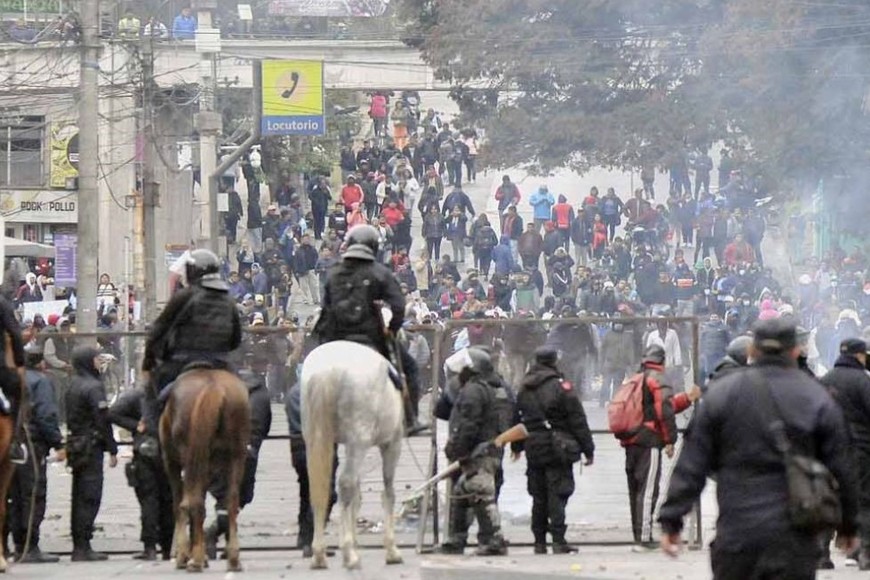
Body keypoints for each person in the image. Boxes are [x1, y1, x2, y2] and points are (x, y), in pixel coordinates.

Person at [659, 319, 859, 579]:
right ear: (796, 350)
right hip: (794, 540)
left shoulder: (723, 394)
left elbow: (692, 463)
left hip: (737, 536)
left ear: (752, 350)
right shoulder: (816, 397)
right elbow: (842, 467)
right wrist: (849, 526)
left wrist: (672, 520)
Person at [142, 249, 242, 430]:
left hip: (183, 361)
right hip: (221, 362)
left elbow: (158, 330)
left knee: (152, 394)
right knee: (245, 394)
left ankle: (151, 437)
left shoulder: (184, 296)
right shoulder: (229, 300)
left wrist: (149, 362)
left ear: (192, 271)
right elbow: (236, 339)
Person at [512, 347, 594, 554]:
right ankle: (558, 540)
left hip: (533, 445)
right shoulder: (561, 386)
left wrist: (517, 446)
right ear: (554, 361)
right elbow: (577, 419)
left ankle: (539, 541)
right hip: (557, 447)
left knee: (538, 495)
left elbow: (517, 419)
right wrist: (588, 449)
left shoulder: (524, 386)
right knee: (558, 493)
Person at [621, 345, 696, 547]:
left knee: (635, 490)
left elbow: (662, 405)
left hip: (631, 440)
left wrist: (686, 399)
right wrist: (669, 440)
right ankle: (644, 538)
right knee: (648, 490)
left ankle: (638, 534)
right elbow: (664, 409)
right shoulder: (658, 378)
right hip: (649, 440)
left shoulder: (636, 377)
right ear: (662, 360)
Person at [312, 224, 408, 382]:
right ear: (374, 247)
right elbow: (398, 306)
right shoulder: (380, 273)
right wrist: (391, 331)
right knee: (410, 370)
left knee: (304, 382)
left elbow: (325, 307)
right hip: (371, 335)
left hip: (334, 335)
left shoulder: (333, 272)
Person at [438, 348, 508, 556]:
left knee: (480, 493)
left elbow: (468, 424)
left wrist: (457, 448)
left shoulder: (473, 391)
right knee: (462, 493)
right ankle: (456, 539)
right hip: (485, 450)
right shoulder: (488, 388)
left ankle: (494, 540)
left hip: (479, 452)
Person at [205, 369, 272, 560]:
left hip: (220, 449)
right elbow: (264, 424)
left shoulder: (220, 387)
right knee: (241, 495)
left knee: (223, 493)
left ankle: (216, 533)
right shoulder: (261, 394)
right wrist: (254, 443)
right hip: (248, 450)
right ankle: (223, 537)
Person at [8, 343, 63, 563]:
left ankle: (16, 544)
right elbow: (46, 415)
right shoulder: (41, 382)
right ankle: (29, 546)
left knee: (14, 495)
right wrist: (58, 443)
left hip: (12, 444)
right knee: (33, 494)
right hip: (32, 444)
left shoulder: (12, 379)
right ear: (41, 363)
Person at [819, 338, 870, 569]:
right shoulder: (863, 381)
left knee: (828, 499)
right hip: (860, 450)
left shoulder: (825, 380)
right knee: (863, 500)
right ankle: (865, 552)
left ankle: (822, 554)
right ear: (859, 355)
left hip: (828, 450)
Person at [65, 346, 119, 561]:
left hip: (75, 444)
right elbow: (102, 420)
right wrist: (112, 448)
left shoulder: (73, 385)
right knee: (90, 495)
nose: (99, 363)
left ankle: (79, 543)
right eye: (96, 359)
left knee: (78, 495)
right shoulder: (94, 387)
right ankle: (83, 546)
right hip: (91, 446)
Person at [108, 387, 173, 561]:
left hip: (146, 450)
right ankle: (167, 547)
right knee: (168, 500)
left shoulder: (139, 394)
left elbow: (112, 413)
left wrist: (135, 426)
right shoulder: (175, 391)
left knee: (149, 500)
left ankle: (150, 547)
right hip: (168, 451)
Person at [286, 381, 337, 558]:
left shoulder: (293, 392)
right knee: (327, 493)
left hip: (297, 447)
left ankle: (303, 537)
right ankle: (312, 539)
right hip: (320, 446)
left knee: (306, 491)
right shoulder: (324, 391)